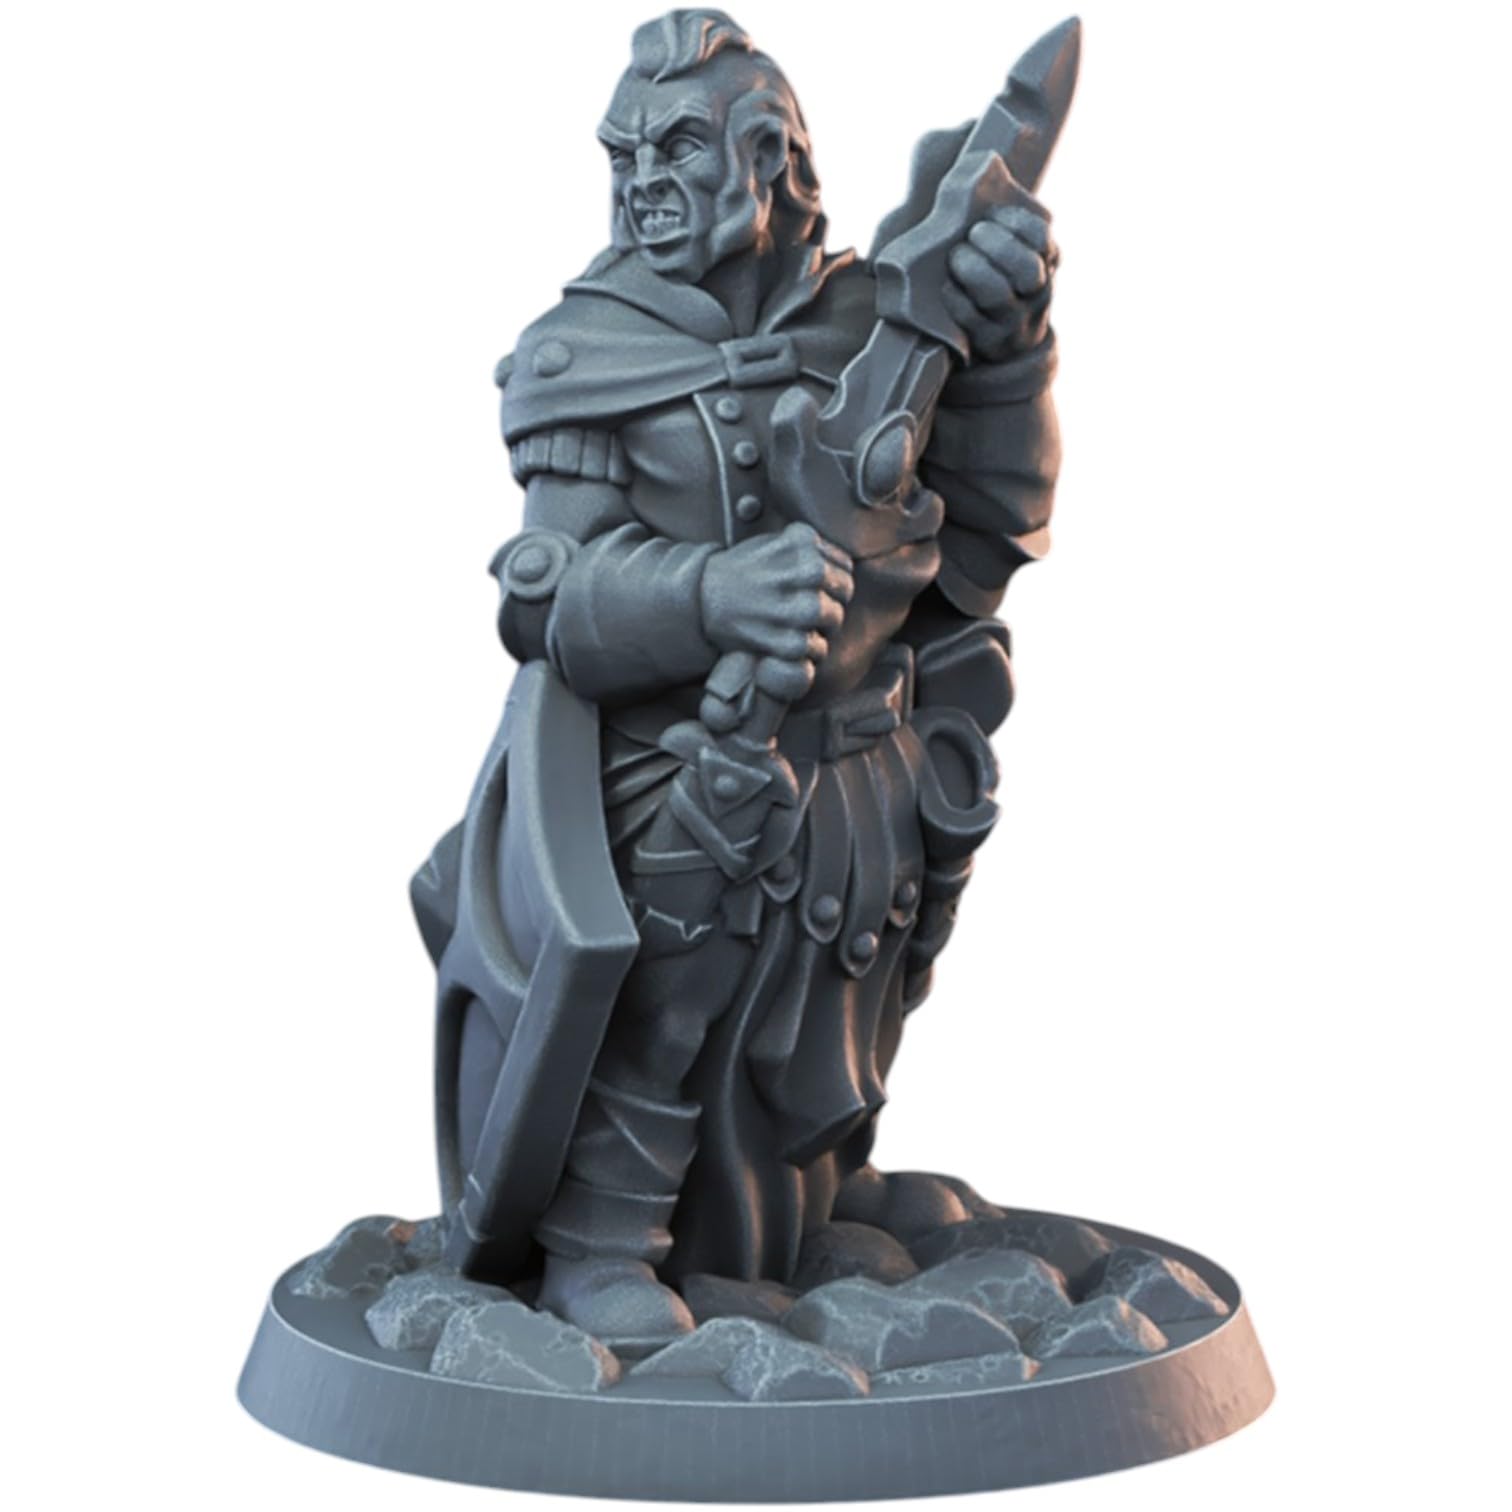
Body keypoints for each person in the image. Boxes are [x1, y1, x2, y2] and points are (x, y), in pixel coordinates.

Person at [415, 8, 1061, 1353]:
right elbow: (546, 594)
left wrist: (1008, 350)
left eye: (676, 152)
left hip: (858, 754)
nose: (641, 183)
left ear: (768, 159)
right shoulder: (588, 352)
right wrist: (709, 593)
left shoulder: (872, 319)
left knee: (866, 954)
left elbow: (988, 534)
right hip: (678, 764)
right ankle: (602, 1237)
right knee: (677, 972)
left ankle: (806, 1193)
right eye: (623, 156)